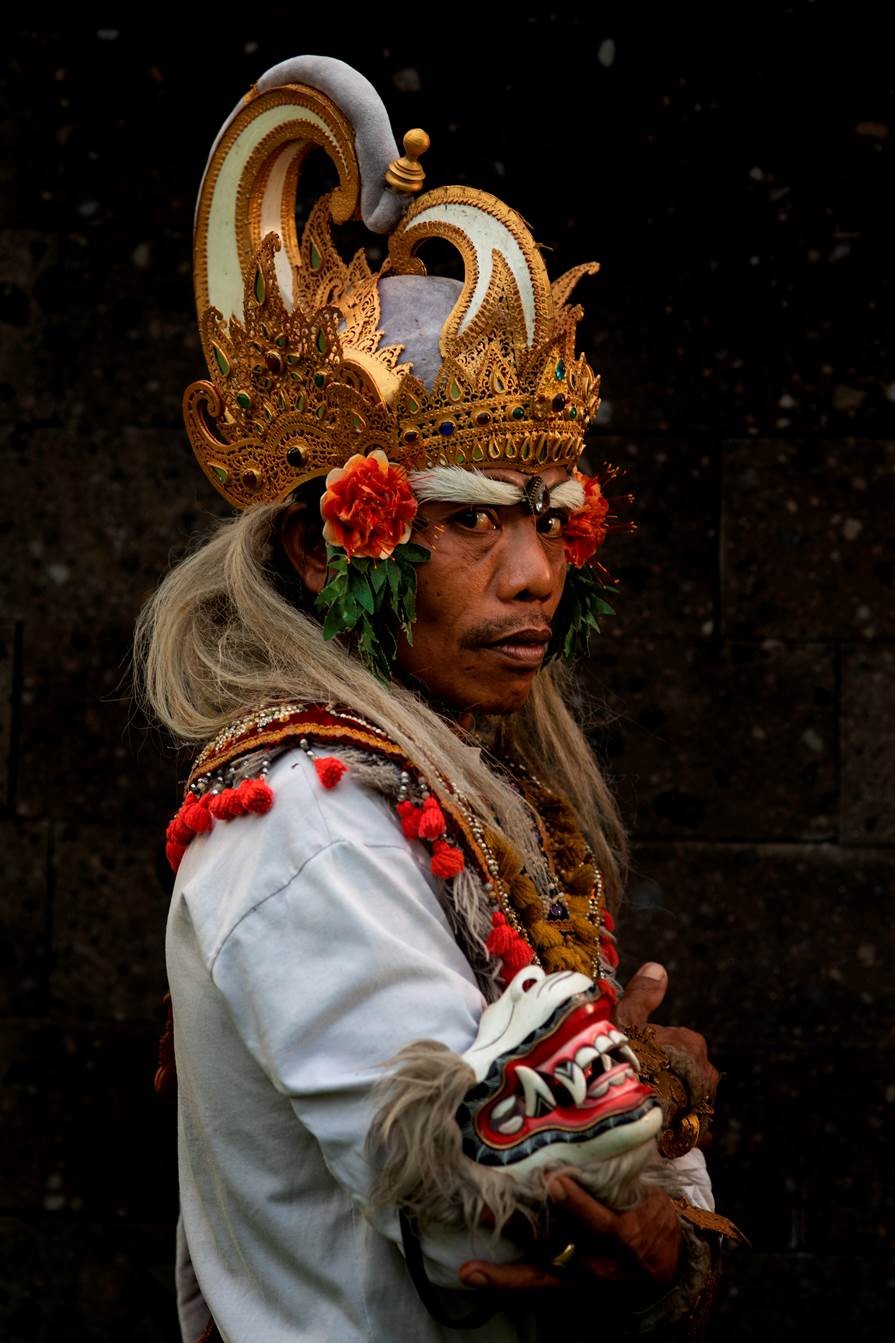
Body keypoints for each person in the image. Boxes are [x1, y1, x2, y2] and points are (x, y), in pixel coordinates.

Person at [137, 54, 734, 1343]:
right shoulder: (301, 812)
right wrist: (663, 1091)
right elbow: (503, 1215)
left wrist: (636, 1155)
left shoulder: (460, 777)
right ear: (325, 544)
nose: (535, 576)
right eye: (469, 523)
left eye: (548, 519)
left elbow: (637, 1211)